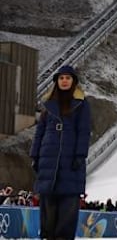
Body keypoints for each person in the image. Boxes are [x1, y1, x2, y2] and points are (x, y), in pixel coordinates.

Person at [29, 65, 92, 240]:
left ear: (74, 82)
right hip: (48, 163)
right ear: (56, 81)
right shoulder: (48, 105)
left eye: (68, 78)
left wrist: (80, 155)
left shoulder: (81, 104)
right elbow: (40, 131)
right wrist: (35, 155)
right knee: (48, 214)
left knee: (67, 214)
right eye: (61, 78)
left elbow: (84, 131)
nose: (64, 81)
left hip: (70, 165)